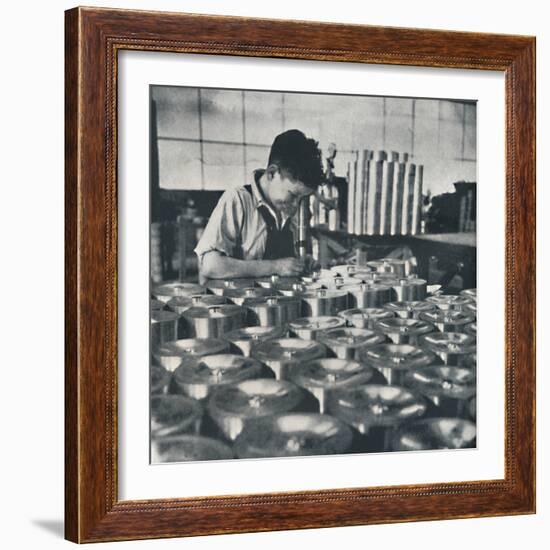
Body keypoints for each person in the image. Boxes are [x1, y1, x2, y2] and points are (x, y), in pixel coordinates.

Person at [194, 129, 324, 281]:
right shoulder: (238, 200)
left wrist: (302, 261)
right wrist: (275, 267)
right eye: (293, 195)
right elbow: (210, 266)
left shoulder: (292, 208)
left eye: (303, 198)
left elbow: (290, 261)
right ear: (272, 173)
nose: (296, 205)